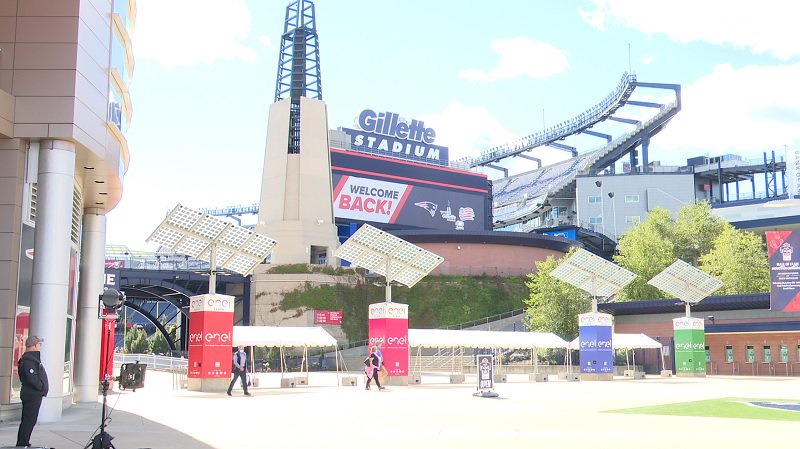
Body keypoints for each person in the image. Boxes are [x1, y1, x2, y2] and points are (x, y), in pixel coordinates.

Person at [17, 335, 49, 448]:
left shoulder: (31, 359)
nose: (40, 346)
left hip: (33, 394)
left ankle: (24, 442)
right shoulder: (28, 360)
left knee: (30, 420)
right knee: (28, 420)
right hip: (32, 394)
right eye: (39, 344)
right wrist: (41, 387)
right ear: (34, 346)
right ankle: (22, 443)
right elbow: (32, 378)